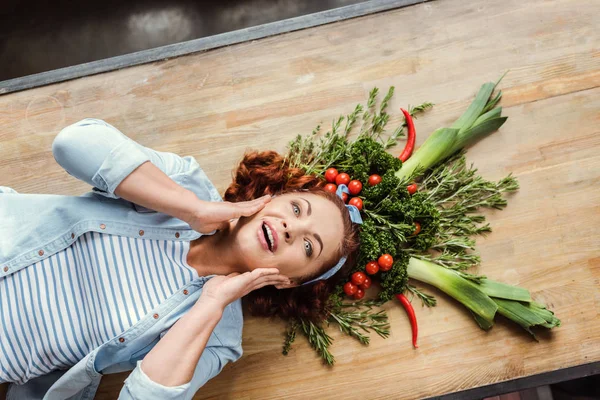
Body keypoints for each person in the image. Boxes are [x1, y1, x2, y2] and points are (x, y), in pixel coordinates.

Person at [0, 118, 360, 400]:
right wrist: (192, 209)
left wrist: (212, 302)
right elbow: (72, 142)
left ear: (291, 281)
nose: (290, 229)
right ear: (273, 197)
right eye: (297, 208)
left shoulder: (218, 339)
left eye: (309, 247)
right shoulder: (185, 183)